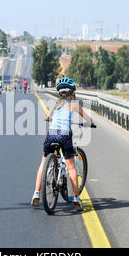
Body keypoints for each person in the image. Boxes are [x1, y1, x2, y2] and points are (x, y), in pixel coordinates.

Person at [31, 77, 95, 212]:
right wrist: (91, 123)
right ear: (72, 93)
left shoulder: (56, 105)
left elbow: (48, 117)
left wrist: (49, 118)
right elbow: (87, 118)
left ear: (59, 93)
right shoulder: (74, 105)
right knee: (71, 167)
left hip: (51, 134)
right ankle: (76, 197)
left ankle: (36, 193)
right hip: (65, 135)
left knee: (43, 164)